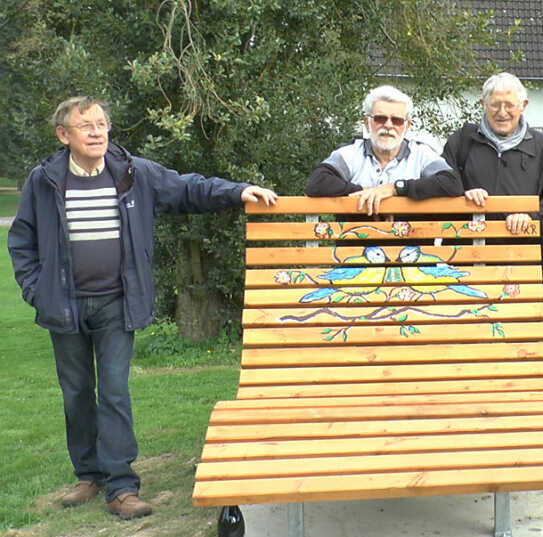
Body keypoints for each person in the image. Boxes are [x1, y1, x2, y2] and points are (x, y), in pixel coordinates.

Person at [7, 96, 278, 520]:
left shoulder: (134, 173)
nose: (97, 132)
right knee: (77, 394)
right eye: (86, 126)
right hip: (64, 306)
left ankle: (121, 487)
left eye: (102, 124)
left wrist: (238, 190)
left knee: (114, 390)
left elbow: (189, 188)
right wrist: (34, 290)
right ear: (64, 135)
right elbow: (22, 240)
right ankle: (88, 475)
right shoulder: (44, 180)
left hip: (117, 302)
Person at [442, 72, 543, 235]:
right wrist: (461, 195)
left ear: (524, 105)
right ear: (483, 104)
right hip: (465, 252)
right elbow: (440, 184)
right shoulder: (461, 142)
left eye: (509, 105)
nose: (502, 113)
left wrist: (532, 218)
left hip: (520, 254)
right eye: (495, 104)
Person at [306, 85, 463, 211]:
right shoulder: (351, 153)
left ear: (407, 126)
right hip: (355, 247)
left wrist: (396, 189)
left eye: (397, 120)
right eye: (380, 118)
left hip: (410, 246)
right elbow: (316, 183)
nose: (388, 125)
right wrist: (367, 191)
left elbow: (452, 183)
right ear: (367, 122)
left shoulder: (421, 154)